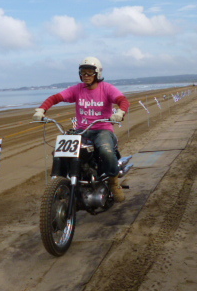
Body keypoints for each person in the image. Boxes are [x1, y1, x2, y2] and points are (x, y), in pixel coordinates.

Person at [32, 57, 130, 202]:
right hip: (81, 130)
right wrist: (41, 110)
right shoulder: (77, 89)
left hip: (102, 129)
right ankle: (61, 182)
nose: (86, 76)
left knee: (105, 150)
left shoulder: (107, 88)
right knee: (60, 151)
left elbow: (123, 100)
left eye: (89, 72)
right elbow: (56, 97)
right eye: (83, 73)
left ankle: (113, 182)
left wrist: (120, 113)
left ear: (97, 74)